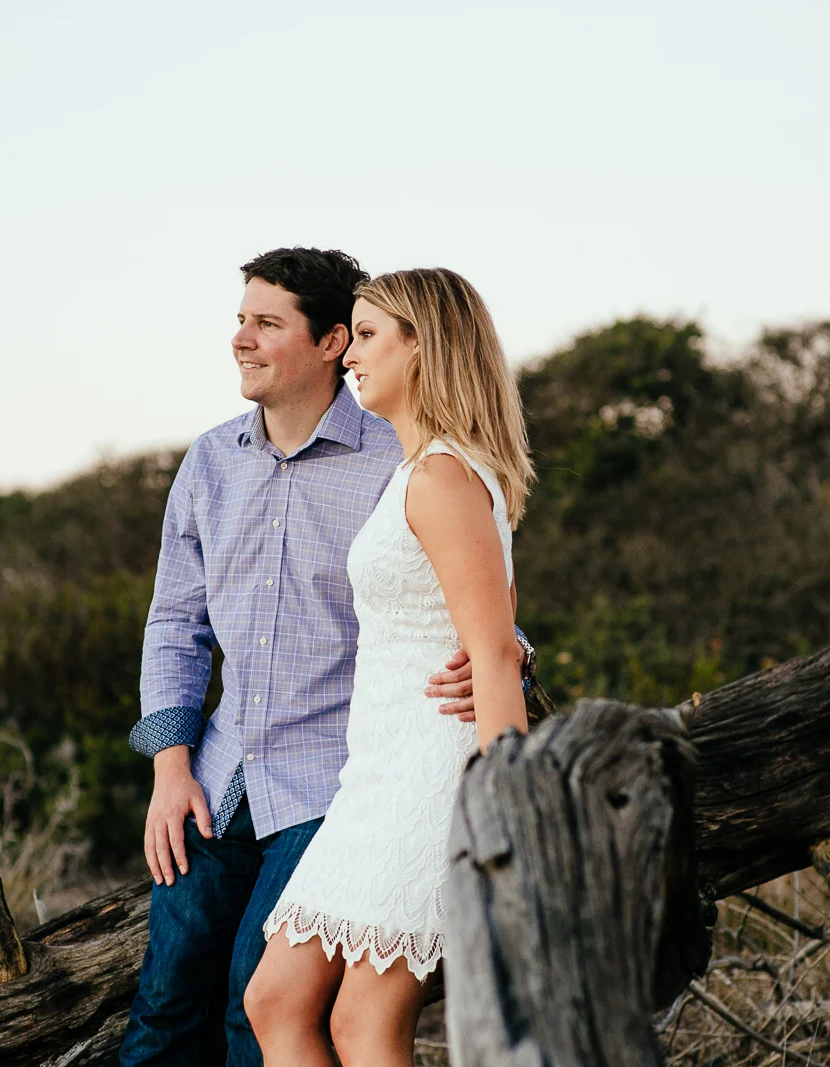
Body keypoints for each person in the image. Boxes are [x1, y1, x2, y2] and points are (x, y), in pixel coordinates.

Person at [118, 249, 536, 1067]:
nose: (241, 338)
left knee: (281, 1014)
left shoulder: (404, 458)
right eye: (241, 318)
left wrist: (509, 658)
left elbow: (478, 611)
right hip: (223, 770)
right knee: (175, 1005)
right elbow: (174, 620)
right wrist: (171, 767)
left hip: (339, 777)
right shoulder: (210, 460)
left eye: (267, 323)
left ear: (331, 337)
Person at [244, 267, 533, 1067]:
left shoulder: (441, 475)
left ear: (424, 345)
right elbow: (492, 629)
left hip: (430, 774)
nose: (349, 356)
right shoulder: (421, 471)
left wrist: (511, 817)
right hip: (375, 776)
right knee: (275, 1000)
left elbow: (495, 652)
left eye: (367, 336)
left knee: (363, 1025)